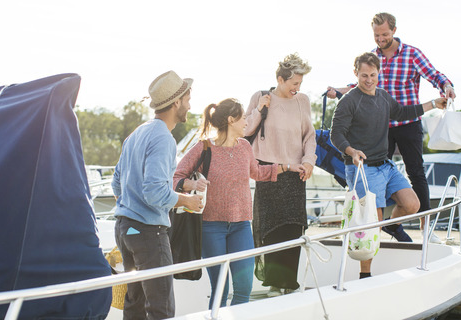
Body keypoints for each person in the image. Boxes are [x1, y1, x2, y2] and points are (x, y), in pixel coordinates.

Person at [327, 12, 456, 243]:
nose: (380, 38)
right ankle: (378, 226)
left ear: (394, 30)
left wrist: (445, 87)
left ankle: (424, 227)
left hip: (407, 122)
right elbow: (360, 84)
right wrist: (337, 91)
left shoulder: (411, 54)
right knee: (371, 175)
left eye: (384, 34)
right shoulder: (373, 57)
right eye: (377, 35)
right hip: (381, 127)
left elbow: (433, 75)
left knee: (416, 173)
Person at [174, 98, 305, 307]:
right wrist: (192, 185)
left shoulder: (245, 147)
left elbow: (258, 172)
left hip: (242, 225)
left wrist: (287, 167)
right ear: (230, 120)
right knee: (221, 289)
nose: (246, 122)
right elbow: (177, 176)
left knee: (244, 287)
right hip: (211, 227)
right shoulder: (204, 147)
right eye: (243, 118)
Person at [330, 52, 447, 278]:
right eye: (364, 75)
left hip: (385, 166)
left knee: (413, 204)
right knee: (372, 222)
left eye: (373, 75)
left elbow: (403, 112)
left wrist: (433, 103)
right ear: (356, 73)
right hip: (361, 169)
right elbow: (337, 134)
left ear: (379, 73)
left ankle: (391, 226)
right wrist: (352, 151)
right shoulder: (349, 101)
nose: (369, 80)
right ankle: (366, 275)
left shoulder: (383, 96)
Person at [111, 70, 202, 320]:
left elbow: (116, 183)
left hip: (125, 229)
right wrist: (188, 200)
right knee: (161, 308)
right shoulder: (163, 138)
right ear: (176, 103)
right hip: (148, 233)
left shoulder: (137, 133)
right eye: (187, 99)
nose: (190, 104)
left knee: (135, 304)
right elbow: (155, 193)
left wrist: (130, 206)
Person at [245, 53, 316, 297]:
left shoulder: (302, 101)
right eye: (294, 83)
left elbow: (309, 136)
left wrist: (308, 162)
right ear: (280, 79)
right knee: (270, 229)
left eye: (300, 84)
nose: (298, 88)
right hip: (268, 170)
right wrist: (260, 109)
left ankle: (288, 283)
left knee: (293, 229)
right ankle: (274, 284)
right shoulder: (260, 96)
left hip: (296, 172)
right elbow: (245, 130)